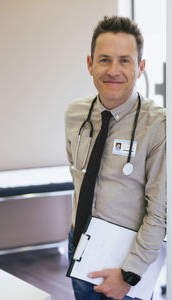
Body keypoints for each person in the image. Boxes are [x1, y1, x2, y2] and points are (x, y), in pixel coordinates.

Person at [65, 16, 166, 300]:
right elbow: (78, 177)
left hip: (126, 257)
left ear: (140, 66)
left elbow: (159, 211)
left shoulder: (157, 125)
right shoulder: (75, 115)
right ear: (90, 64)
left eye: (125, 60)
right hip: (79, 246)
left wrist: (129, 274)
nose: (113, 70)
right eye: (104, 59)